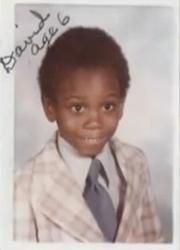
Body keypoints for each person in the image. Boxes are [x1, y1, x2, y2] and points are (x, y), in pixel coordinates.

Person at [14, 26, 164, 242]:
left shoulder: (136, 162)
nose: (95, 122)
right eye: (77, 108)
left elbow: (154, 240)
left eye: (108, 106)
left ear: (121, 105)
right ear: (49, 107)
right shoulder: (23, 190)